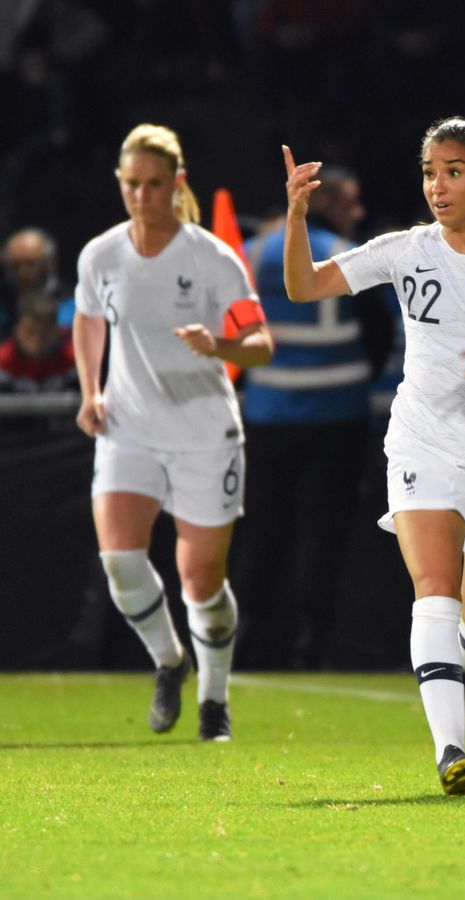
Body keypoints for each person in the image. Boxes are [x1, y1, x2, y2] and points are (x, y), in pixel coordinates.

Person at [282, 117, 465, 796]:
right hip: (425, 440)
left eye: (452, 171)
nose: (437, 185)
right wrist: (298, 214)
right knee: (434, 590)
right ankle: (451, 750)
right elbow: (304, 288)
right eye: (428, 171)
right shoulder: (407, 250)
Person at [73, 123, 273, 741]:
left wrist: (219, 343)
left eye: (154, 185)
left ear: (176, 184)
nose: (141, 196)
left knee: (200, 581)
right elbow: (88, 321)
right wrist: (91, 390)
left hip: (203, 434)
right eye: (131, 184)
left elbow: (261, 344)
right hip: (129, 429)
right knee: (120, 561)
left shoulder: (211, 258)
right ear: (119, 183)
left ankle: (215, 699)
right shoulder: (100, 254)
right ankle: (169, 661)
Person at [235, 169, 394, 669]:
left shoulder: (253, 254)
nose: (359, 212)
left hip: (268, 412)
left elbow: (232, 327)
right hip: (337, 414)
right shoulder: (346, 252)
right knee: (324, 533)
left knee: (263, 530)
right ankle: (313, 641)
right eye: (350, 202)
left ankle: (254, 640)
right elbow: (380, 330)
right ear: (323, 204)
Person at [0, 227, 74, 338]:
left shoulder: (73, 303)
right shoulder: (3, 303)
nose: (22, 272)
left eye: (30, 264)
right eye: (15, 266)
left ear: (51, 263)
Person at [0, 290, 76, 392]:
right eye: (29, 332)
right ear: (16, 329)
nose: (37, 340)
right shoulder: (4, 361)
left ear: (57, 331)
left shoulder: (72, 361)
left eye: (44, 333)